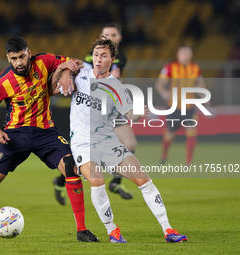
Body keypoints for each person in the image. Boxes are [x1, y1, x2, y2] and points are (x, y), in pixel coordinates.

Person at [0, 37, 98, 242]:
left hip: (46, 132)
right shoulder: (2, 82)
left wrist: (66, 72)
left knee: (70, 166)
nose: (19, 62)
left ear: (29, 53)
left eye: (22, 56)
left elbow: (77, 61)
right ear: (8, 58)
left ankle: (82, 230)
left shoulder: (43, 61)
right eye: (14, 58)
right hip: (14, 136)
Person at [51, 36, 187, 243]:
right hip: (82, 143)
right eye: (96, 55)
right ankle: (112, 230)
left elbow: (129, 115)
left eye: (103, 56)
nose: (98, 59)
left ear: (112, 59)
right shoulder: (80, 73)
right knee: (96, 180)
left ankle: (168, 230)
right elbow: (52, 86)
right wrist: (65, 72)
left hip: (107, 141)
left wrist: (138, 113)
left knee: (144, 180)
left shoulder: (116, 87)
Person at [53, 23, 134, 205]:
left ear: (119, 38)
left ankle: (115, 181)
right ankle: (62, 180)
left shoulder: (121, 57)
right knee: (83, 158)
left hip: (110, 105)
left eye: (113, 34)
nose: (110, 38)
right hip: (93, 107)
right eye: (106, 35)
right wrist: (66, 72)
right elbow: (79, 70)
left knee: (129, 142)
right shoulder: (93, 57)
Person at [155, 44, 206, 165]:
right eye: (183, 53)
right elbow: (159, 84)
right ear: (177, 54)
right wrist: (164, 93)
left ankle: (189, 163)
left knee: (191, 131)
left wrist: (204, 95)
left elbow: (200, 84)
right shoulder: (169, 67)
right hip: (174, 107)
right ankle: (164, 156)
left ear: (191, 55)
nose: (185, 56)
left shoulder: (195, 68)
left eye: (188, 53)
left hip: (189, 107)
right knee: (169, 134)